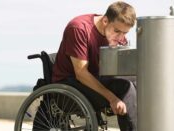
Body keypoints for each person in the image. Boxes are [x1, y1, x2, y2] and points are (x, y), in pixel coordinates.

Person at [52, 1, 137, 131]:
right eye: (117, 31)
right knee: (125, 87)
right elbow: (81, 74)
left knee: (139, 81)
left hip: (96, 78)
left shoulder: (116, 34)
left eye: (124, 33)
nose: (120, 38)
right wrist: (113, 98)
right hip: (69, 85)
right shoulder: (79, 28)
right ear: (105, 21)